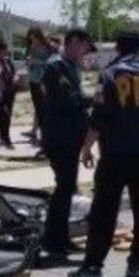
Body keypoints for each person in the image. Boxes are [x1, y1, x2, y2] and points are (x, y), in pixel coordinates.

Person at [68, 31, 139, 277]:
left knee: (104, 210)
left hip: (115, 154)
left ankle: (93, 266)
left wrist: (86, 148)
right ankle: (137, 263)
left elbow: (98, 118)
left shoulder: (110, 75)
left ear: (117, 48)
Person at [40, 29, 93, 263]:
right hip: (59, 137)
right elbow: (67, 101)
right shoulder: (56, 66)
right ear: (72, 42)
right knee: (65, 187)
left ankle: (58, 237)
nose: (85, 53)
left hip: (70, 136)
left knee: (67, 187)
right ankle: (54, 239)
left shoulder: (69, 66)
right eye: (83, 47)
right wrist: (93, 99)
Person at [24, 27, 55, 145]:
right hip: (33, 80)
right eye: (31, 39)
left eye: (35, 38)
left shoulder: (49, 48)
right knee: (38, 107)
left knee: (45, 108)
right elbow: (28, 62)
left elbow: (52, 62)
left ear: (39, 37)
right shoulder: (30, 48)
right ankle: (39, 133)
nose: (33, 41)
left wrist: (36, 62)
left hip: (44, 80)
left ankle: (46, 135)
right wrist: (28, 62)